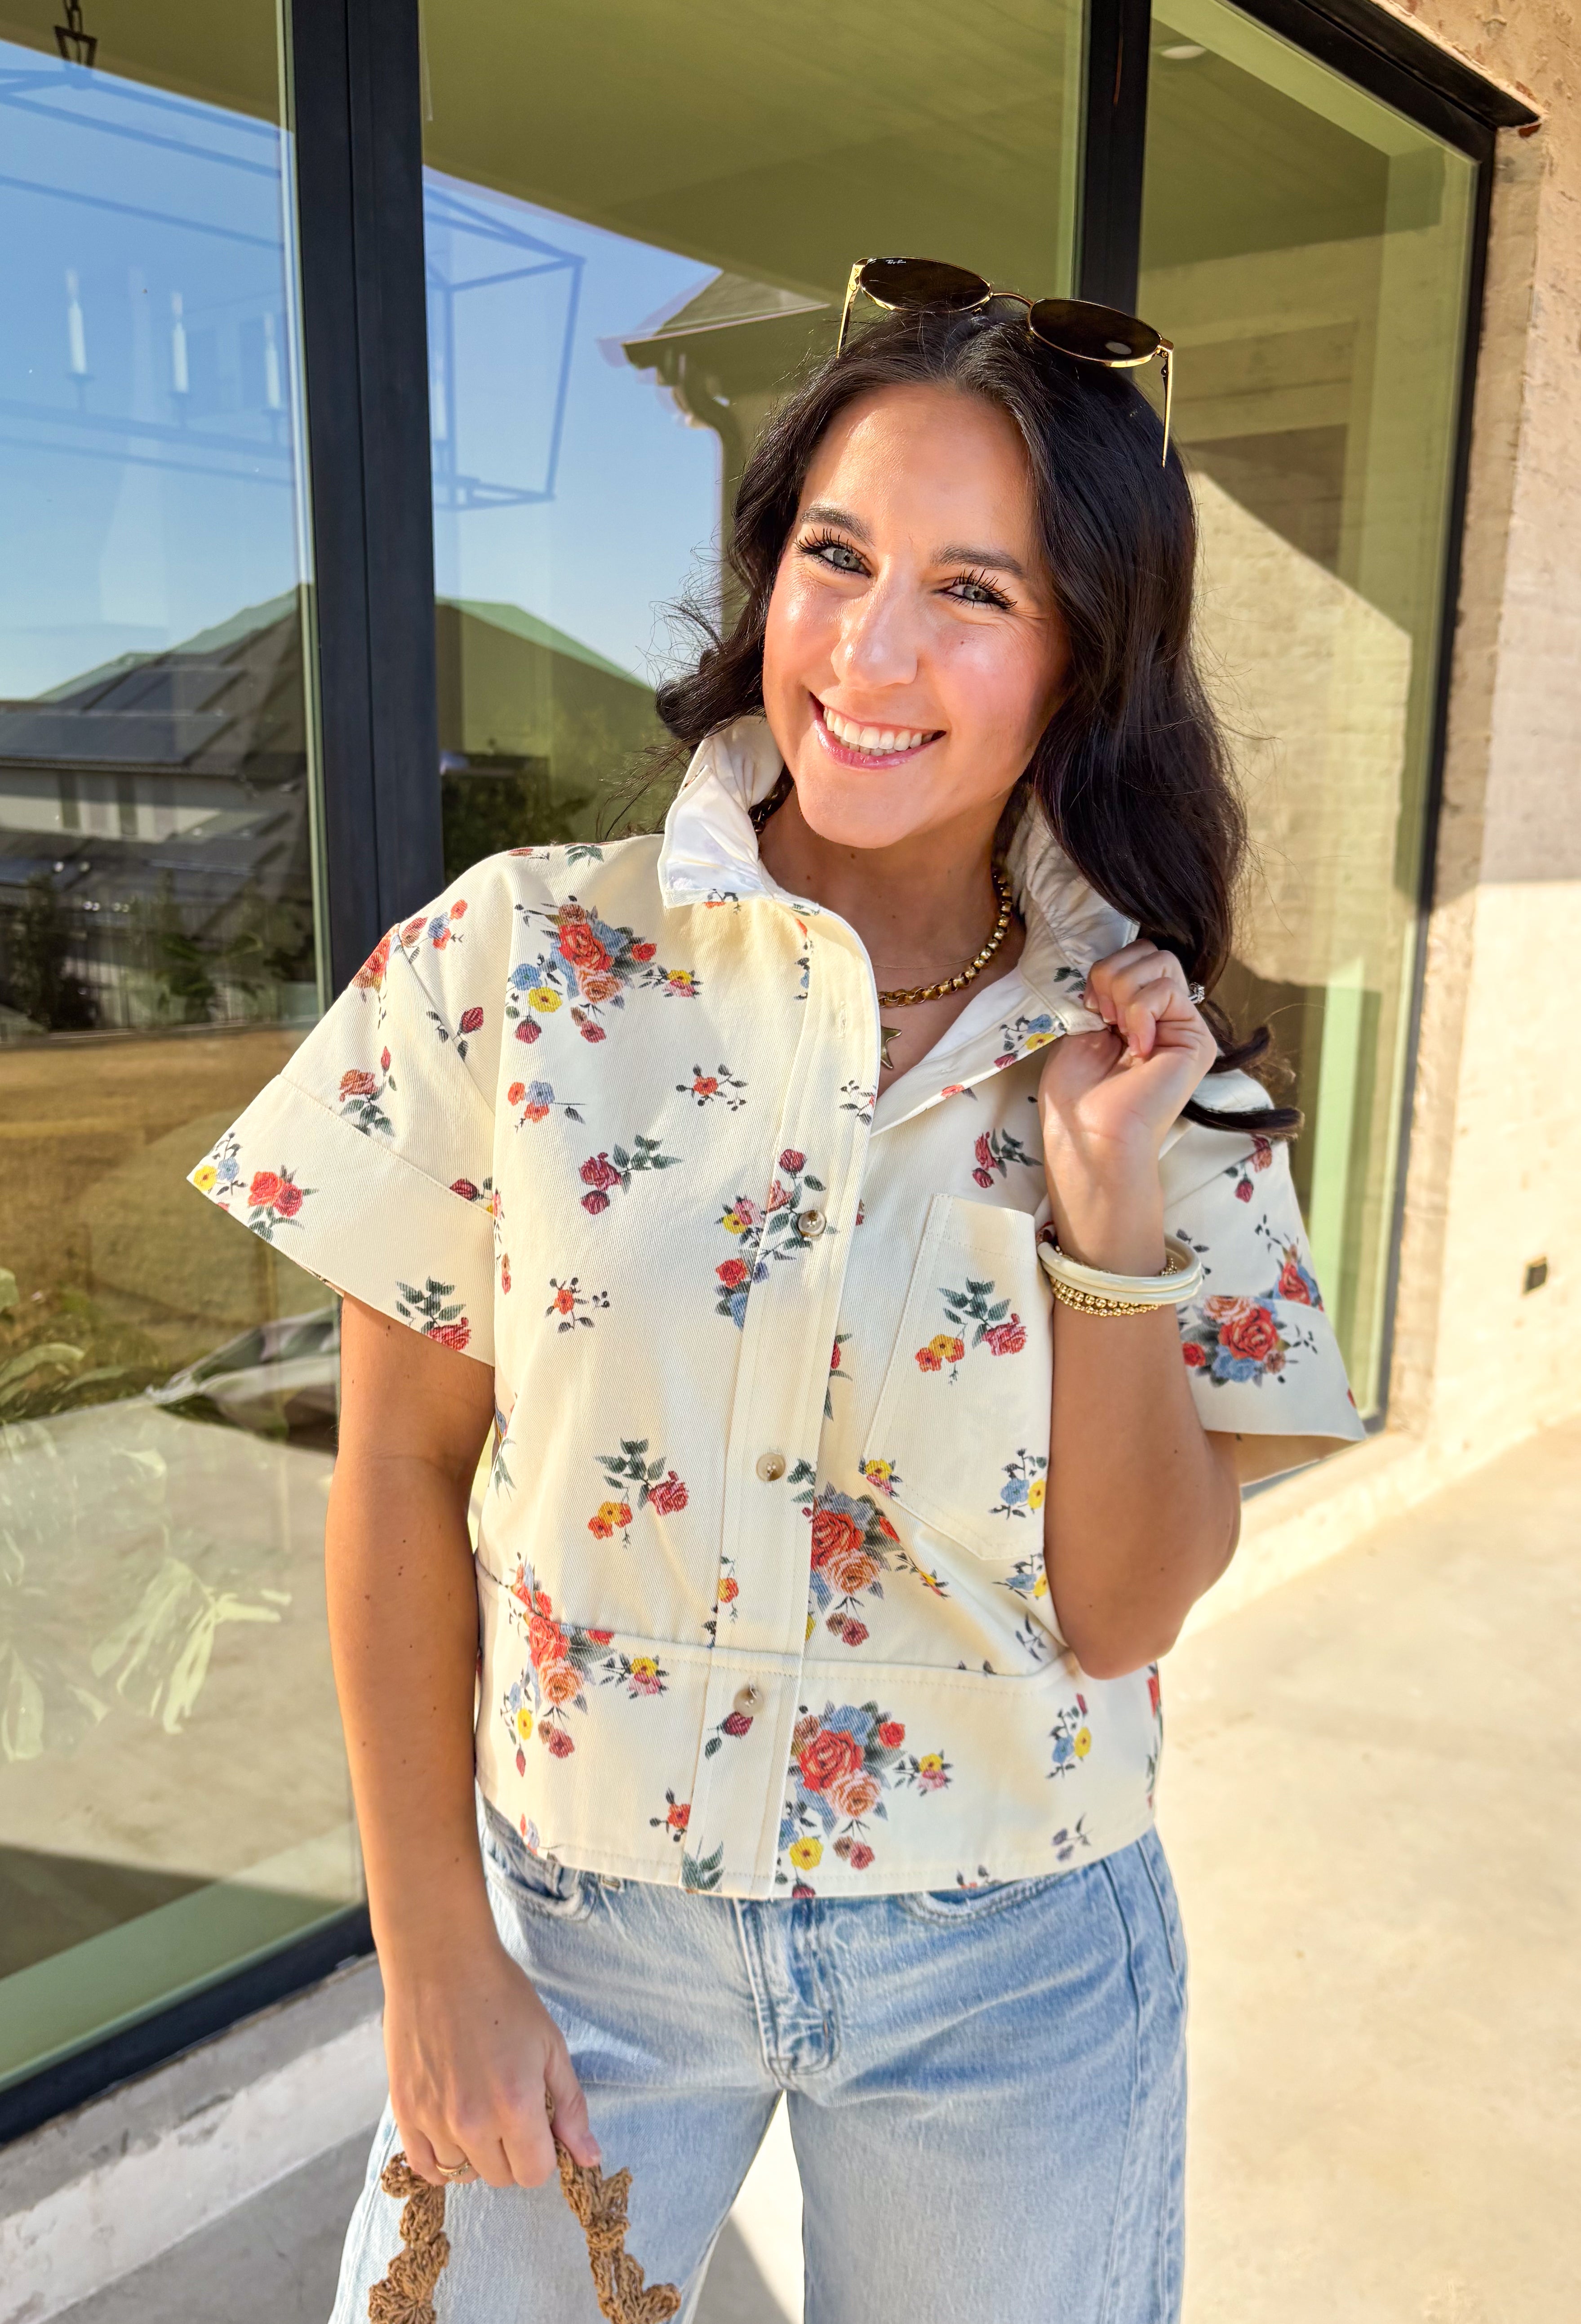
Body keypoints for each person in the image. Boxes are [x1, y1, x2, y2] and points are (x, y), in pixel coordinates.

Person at [193, 277, 1362, 2324]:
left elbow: (1124, 1614)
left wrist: (1105, 1214)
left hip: (1012, 1959)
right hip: (582, 1939)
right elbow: (394, 1470)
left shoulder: (1157, 1061)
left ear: (1082, 654)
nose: (872, 651)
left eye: (972, 591)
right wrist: (435, 1956)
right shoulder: (527, 962)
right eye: (837, 557)